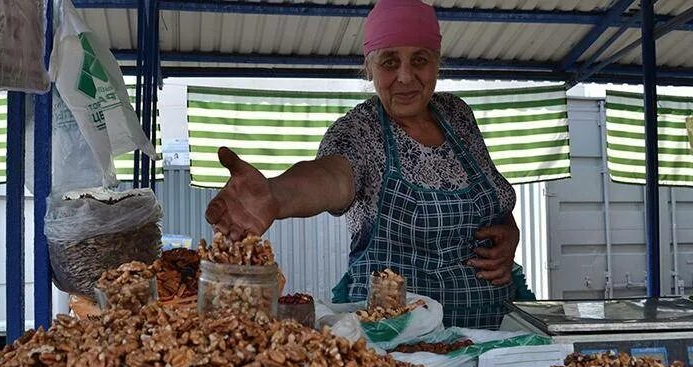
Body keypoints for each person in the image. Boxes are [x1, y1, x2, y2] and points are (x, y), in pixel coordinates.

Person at [204, 0, 520, 329]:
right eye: (390, 62)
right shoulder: (359, 130)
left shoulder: (457, 115)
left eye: (420, 60)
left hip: (489, 332)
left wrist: (510, 231)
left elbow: (492, 196)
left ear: (437, 63)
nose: (405, 76)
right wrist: (276, 195)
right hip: (396, 345)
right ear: (369, 68)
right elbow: (333, 177)